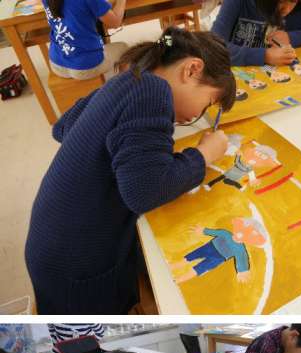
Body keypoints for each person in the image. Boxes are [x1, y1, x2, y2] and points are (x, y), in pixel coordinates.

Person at [25, 27, 236, 314]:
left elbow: (64, 127)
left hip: (49, 247)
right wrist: (204, 155)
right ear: (192, 69)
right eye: (208, 103)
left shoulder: (128, 78)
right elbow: (145, 191)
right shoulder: (152, 91)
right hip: (78, 268)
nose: (197, 116)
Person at [212, 0, 301, 66]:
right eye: (281, 1)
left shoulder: (296, 10)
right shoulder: (237, 3)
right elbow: (213, 47)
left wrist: (292, 37)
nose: (287, 9)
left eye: (293, 1)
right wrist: (264, 56)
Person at [42, 0, 128, 80]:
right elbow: (115, 23)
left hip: (56, 63)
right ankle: (122, 87)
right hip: (84, 67)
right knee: (124, 48)